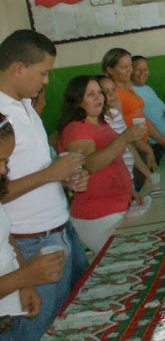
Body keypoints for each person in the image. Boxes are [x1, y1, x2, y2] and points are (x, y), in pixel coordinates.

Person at [0, 30, 89, 341]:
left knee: (79, 314)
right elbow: (2, 191)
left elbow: (35, 172)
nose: (47, 81)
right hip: (28, 243)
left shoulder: (26, 104)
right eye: (44, 73)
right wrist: (51, 174)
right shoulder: (1, 116)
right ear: (19, 68)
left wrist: (64, 177)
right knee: (41, 329)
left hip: (60, 228)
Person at [58, 76, 145, 255]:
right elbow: (91, 164)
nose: (99, 98)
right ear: (77, 100)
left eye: (100, 93)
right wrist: (124, 138)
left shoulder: (101, 123)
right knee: (123, 261)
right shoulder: (76, 128)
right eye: (91, 94)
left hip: (118, 206)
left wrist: (128, 190)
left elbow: (115, 162)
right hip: (97, 215)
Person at [0, 113, 66, 340]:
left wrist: (24, 284)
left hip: (10, 309)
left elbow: (6, 239)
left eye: (6, 162)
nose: (3, 171)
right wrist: (23, 277)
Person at [102, 48, 165, 168]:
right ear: (110, 69)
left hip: (143, 145)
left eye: (130, 66)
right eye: (123, 67)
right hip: (131, 150)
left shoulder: (129, 88)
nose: (128, 70)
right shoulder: (114, 94)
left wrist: (164, 142)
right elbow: (121, 129)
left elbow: (144, 119)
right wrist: (146, 149)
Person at [97, 75, 153, 191]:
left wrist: (147, 173)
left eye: (113, 89)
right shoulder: (100, 122)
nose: (112, 94)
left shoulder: (116, 114)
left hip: (128, 178)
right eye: (106, 91)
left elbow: (128, 146)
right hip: (115, 184)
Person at [130, 55, 165, 162]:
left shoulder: (148, 89)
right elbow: (142, 119)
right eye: (138, 69)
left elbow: (155, 111)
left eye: (145, 69)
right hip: (151, 144)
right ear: (129, 71)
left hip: (164, 140)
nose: (143, 73)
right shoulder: (129, 91)